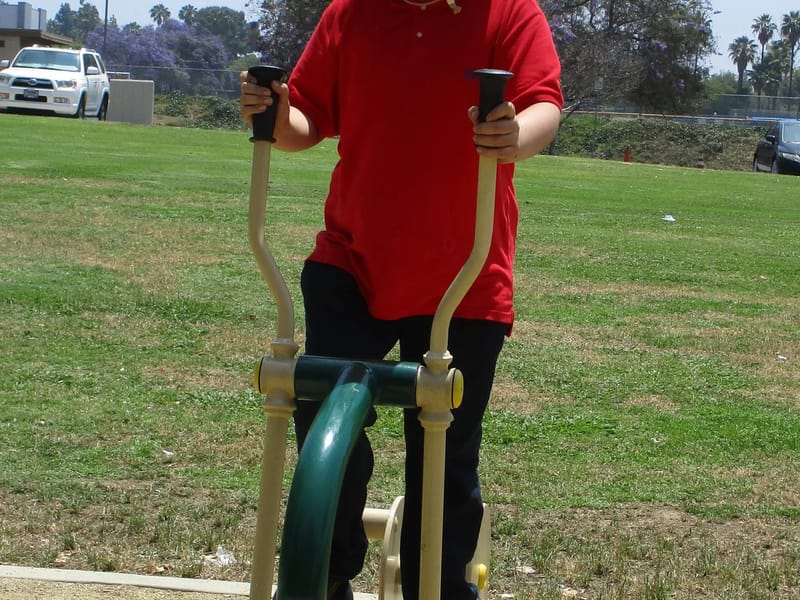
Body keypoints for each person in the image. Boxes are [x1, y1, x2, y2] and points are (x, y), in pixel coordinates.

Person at [240, 0, 562, 598]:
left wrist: (514, 134)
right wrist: (277, 113)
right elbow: (306, 120)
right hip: (353, 259)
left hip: (463, 271)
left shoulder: (509, 12)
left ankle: (434, 586)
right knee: (320, 412)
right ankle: (326, 574)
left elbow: (545, 105)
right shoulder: (351, 13)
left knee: (444, 449)